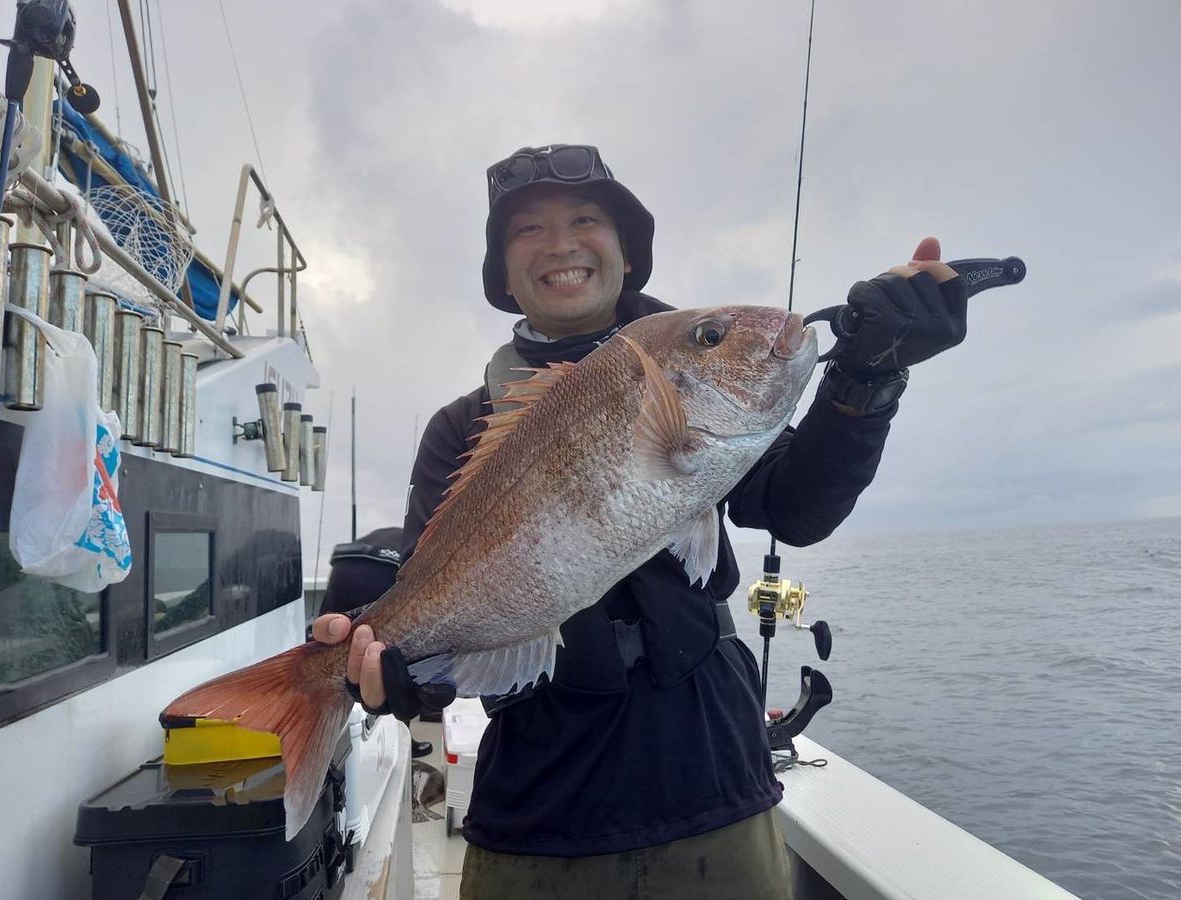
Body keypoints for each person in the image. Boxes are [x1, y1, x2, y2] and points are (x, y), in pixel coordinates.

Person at [312, 144, 967, 898]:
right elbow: (438, 621)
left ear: (627, 252)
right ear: (502, 270)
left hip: (716, 787)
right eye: (527, 230)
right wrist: (398, 676)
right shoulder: (461, 427)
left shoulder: (693, 382)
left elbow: (799, 506)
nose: (559, 244)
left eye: (585, 219)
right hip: (539, 816)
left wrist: (869, 376)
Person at [318, 527, 434, 758]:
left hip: (344, 564)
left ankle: (325, 738)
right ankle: (404, 741)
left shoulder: (408, 528)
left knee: (330, 650)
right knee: (397, 668)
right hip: (383, 566)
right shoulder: (418, 537)